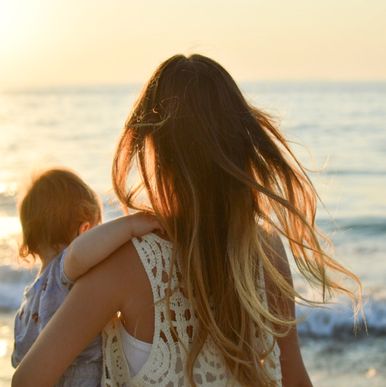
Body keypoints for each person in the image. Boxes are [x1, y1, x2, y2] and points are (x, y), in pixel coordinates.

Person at [12, 55, 362, 387]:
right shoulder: (266, 250)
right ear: (239, 144)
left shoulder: (126, 263)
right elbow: (296, 381)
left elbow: (28, 379)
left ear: (153, 151)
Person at [12, 168, 161, 386]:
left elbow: (19, 360)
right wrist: (130, 226)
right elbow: (76, 254)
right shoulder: (61, 274)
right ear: (85, 229)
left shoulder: (25, 309)